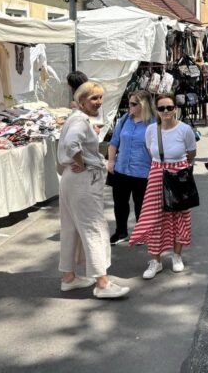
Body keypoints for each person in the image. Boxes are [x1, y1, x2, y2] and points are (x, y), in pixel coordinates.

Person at [58, 81, 129, 299]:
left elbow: (72, 142)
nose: (99, 102)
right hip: (83, 180)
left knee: (71, 228)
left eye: (100, 97)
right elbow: (72, 144)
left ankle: (69, 277)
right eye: (94, 98)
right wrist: (81, 161)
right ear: (81, 101)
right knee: (94, 228)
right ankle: (102, 283)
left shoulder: (76, 118)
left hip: (72, 179)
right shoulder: (80, 120)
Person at [129, 93, 197, 279]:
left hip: (179, 174)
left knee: (180, 215)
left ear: (175, 108)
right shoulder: (151, 130)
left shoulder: (185, 130)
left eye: (169, 107)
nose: (166, 111)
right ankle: (155, 261)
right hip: (157, 174)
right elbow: (150, 151)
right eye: (161, 108)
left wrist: (178, 166)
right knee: (154, 218)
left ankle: (177, 256)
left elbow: (191, 153)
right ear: (156, 110)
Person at [106, 91, 156, 245]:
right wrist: (111, 161)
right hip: (121, 170)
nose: (130, 106)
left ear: (144, 105)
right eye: (129, 103)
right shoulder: (124, 119)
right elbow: (114, 143)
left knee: (142, 205)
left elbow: (157, 149)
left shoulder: (153, 123)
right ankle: (121, 231)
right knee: (120, 204)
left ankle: (142, 234)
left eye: (134, 104)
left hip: (143, 172)